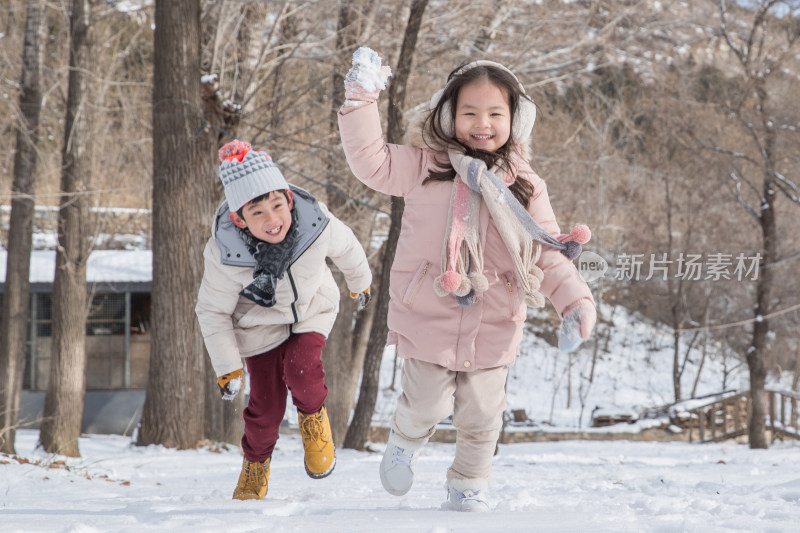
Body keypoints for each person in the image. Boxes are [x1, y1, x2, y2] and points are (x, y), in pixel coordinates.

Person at [338, 48, 596, 512]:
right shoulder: (424, 167)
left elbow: (547, 250)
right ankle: (404, 439)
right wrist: (361, 100)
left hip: (496, 316)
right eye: (470, 112)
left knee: (482, 413)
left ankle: (469, 482)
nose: (483, 123)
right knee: (426, 404)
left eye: (496, 113)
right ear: (447, 115)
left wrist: (574, 302)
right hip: (430, 308)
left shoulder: (527, 185)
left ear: (514, 120)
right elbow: (370, 161)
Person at [195, 139, 372, 501]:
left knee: (303, 368)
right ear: (238, 219)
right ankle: (255, 465)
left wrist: (360, 283)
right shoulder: (225, 254)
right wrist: (228, 367)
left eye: (278, 205)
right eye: (257, 213)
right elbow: (212, 311)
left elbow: (348, 247)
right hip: (258, 329)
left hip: (311, 310)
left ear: (289, 200)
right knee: (265, 409)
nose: (272, 219)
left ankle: (314, 422)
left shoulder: (315, 223)